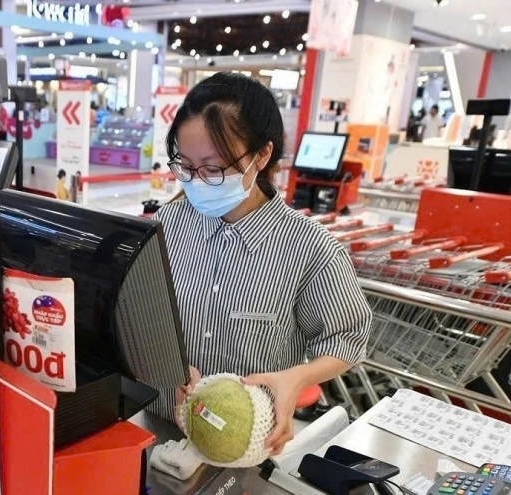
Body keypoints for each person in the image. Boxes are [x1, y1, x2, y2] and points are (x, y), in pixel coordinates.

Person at [154, 73, 373, 455]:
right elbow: (144, 311)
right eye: (186, 167)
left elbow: (347, 337)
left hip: (244, 445)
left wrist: (297, 376)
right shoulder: (168, 224)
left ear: (261, 155)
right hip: (160, 425)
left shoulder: (310, 250)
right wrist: (163, 363)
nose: (197, 182)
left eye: (213, 168)